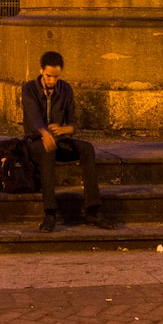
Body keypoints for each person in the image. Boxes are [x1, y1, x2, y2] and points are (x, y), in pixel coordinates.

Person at [22, 51, 109, 231]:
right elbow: (32, 118)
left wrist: (64, 129)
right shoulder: (29, 89)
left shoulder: (65, 89)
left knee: (87, 149)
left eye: (55, 77)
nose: (52, 81)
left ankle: (93, 209)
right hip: (35, 142)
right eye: (48, 76)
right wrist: (44, 133)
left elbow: (73, 124)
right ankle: (50, 213)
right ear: (41, 71)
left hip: (59, 140)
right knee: (48, 150)